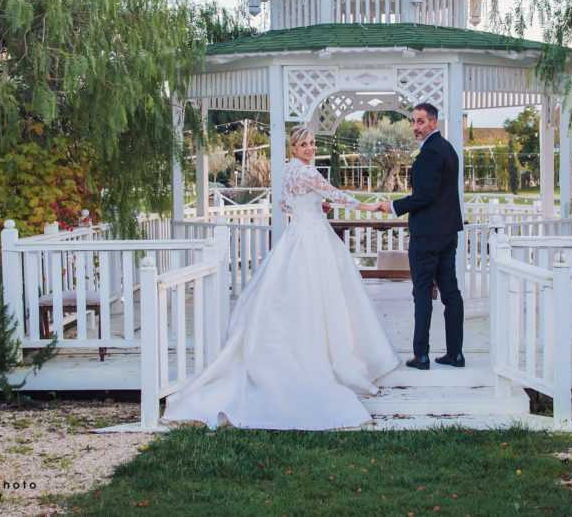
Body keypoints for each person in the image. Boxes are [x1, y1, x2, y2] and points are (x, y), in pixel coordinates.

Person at [162, 127, 400, 430]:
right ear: (293, 147)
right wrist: (372, 206)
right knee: (323, 294)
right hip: (312, 238)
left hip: (296, 234)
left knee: (294, 296)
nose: (310, 148)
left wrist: (318, 204)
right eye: (304, 144)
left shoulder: (289, 172)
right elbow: (338, 196)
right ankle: (327, 357)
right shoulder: (308, 173)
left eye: (313, 143)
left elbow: (286, 205)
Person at [375, 102, 465, 370]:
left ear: (433, 123)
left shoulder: (429, 154)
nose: (415, 127)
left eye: (421, 122)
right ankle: (455, 354)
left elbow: (425, 195)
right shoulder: (448, 149)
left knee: (423, 292)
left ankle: (421, 355)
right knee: (451, 291)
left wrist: (394, 206)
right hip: (449, 233)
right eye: (413, 122)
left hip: (427, 235)